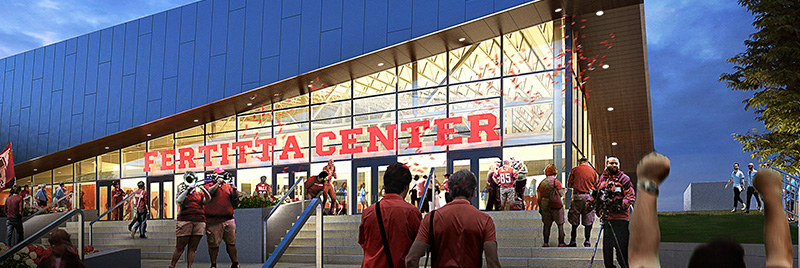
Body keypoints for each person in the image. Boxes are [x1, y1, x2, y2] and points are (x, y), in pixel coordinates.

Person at [629, 153, 793, 268]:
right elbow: (782, 258)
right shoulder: (734, 172)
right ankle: (742, 207)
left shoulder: (744, 173)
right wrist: (772, 195)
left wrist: (647, 182)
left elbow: (642, 257)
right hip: (739, 187)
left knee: (744, 198)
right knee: (739, 199)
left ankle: (749, 206)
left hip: (744, 187)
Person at [405, 170, 501, 268]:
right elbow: (493, 263)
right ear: (473, 191)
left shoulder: (432, 218)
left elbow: (411, 259)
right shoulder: (484, 220)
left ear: (450, 192)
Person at [358, 162, 421, 267]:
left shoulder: (368, 212)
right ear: (406, 187)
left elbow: (363, 242)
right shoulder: (412, 212)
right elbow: (418, 248)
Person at [596, 156, 635, 268]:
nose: (614, 165)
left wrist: (620, 205)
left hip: (621, 219)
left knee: (622, 249)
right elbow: (596, 194)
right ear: (606, 165)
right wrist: (594, 206)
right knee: (607, 249)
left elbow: (630, 195)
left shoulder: (624, 178)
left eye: (616, 164)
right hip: (608, 218)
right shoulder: (601, 179)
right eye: (611, 163)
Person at [170, 172, 212, 268]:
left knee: (193, 248)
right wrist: (187, 190)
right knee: (180, 247)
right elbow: (179, 201)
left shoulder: (199, 193)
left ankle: (189, 266)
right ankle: (172, 265)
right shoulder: (181, 193)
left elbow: (208, 200)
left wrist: (203, 189)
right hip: (185, 221)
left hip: (199, 221)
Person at [203, 168, 240, 268]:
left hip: (228, 219)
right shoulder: (208, 184)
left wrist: (234, 189)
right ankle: (213, 265)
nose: (223, 176)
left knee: (231, 243)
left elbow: (234, 198)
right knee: (213, 245)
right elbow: (209, 192)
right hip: (213, 221)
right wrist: (218, 183)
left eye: (223, 174)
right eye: (220, 174)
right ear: (215, 175)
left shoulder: (227, 185)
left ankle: (235, 263)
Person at [567, 157, 598, 247]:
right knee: (588, 219)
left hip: (577, 196)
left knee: (574, 219)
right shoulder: (593, 171)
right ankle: (587, 241)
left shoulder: (575, 170)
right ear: (587, 162)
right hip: (589, 197)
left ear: (579, 162)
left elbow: (569, 184)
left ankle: (573, 241)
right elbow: (596, 186)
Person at [537, 164, 567, 247]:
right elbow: (560, 193)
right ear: (555, 172)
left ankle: (546, 242)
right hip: (555, 204)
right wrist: (564, 190)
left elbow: (539, 196)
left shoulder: (542, 183)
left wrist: (540, 207)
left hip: (544, 204)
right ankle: (561, 242)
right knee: (560, 224)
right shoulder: (556, 181)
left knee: (546, 225)